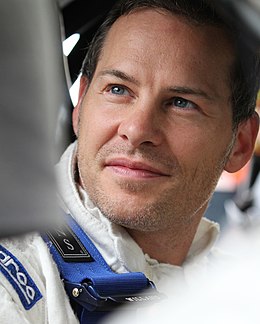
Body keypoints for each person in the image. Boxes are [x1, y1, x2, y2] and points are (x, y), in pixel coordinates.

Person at [0, 0, 259, 323]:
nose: (137, 130)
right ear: (80, 105)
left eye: (181, 103)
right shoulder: (13, 284)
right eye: (118, 89)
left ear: (241, 143)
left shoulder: (239, 295)